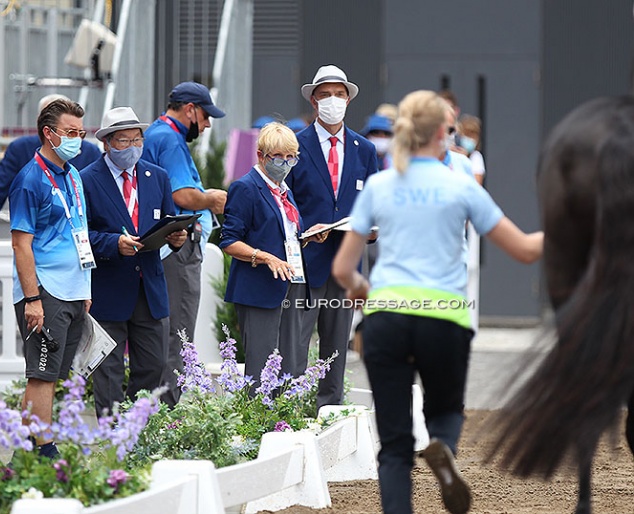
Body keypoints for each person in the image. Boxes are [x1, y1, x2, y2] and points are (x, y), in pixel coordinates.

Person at [332, 90, 543, 514]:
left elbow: (343, 269)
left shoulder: (379, 184)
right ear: (445, 134)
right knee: (445, 410)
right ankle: (443, 446)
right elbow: (523, 249)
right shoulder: (461, 185)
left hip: (387, 316)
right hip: (444, 316)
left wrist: (360, 290)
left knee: (392, 447)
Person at [80, 107, 187, 417]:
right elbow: (82, 234)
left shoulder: (157, 176)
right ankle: (114, 439)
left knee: (154, 365)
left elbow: (168, 223)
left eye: (137, 139)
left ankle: (136, 427)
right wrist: (113, 244)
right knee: (108, 372)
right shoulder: (86, 180)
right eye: (123, 141)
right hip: (109, 289)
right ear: (107, 143)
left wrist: (176, 238)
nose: (132, 147)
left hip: (150, 288)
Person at [287, 64, 378, 410]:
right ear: (314, 99)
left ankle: (330, 410)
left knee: (336, 345)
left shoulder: (364, 149)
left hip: (345, 260)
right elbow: (285, 199)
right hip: (306, 261)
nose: (333, 101)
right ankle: (291, 412)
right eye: (326, 94)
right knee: (296, 344)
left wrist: (370, 229)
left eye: (339, 94)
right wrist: (302, 233)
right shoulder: (295, 146)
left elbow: (374, 201)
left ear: (349, 100)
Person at [9, 98, 95, 459]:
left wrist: (85, 289)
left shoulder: (73, 175)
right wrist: (32, 299)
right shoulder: (30, 180)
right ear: (49, 133)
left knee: (52, 374)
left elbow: (80, 231)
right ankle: (44, 448)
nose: (77, 139)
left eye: (81, 132)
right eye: (70, 132)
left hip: (73, 289)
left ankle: (23, 451)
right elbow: (20, 245)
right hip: (45, 291)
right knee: (41, 374)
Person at [219, 122, 325, 386]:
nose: (286, 163)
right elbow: (230, 241)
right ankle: (258, 424)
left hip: (290, 283)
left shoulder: (284, 190)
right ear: (261, 156)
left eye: (292, 157)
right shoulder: (246, 188)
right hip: (259, 288)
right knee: (262, 367)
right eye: (279, 157)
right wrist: (265, 257)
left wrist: (308, 236)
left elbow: (284, 235)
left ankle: (285, 423)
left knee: (291, 365)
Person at [142, 81, 227, 408]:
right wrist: (211, 199)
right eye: (205, 116)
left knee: (169, 334)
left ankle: (160, 410)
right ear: (190, 109)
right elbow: (181, 195)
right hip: (176, 247)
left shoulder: (158, 134)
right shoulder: (169, 139)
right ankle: (169, 415)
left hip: (167, 247)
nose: (206, 125)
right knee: (178, 337)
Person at [0, 94, 101, 252]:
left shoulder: (89, 152)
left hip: (81, 245)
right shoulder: (21, 150)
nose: (75, 138)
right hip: (40, 243)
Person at [458, 114, 486, 186]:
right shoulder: (450, 154)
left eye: (473, 135)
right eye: (467, 134)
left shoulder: (476, 156)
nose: (470, 138)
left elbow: (477, 185)